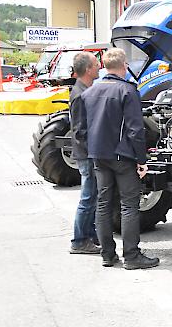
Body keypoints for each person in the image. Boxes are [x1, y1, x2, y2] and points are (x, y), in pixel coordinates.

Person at [82, 48, 160, 270]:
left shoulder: (89, 92)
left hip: (98, 155)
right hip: (121, 156)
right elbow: (136, 130)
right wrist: (141, 160)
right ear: (124, 66)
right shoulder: (127, 91)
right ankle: (132, 256)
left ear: (104, 66)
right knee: (129, 205)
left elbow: (83, 127)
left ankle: (107, 255)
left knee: (103, 204)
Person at [69, 52, 101, 255]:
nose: (99, 67)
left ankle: (89, 235)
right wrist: (94, 153)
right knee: (88, 198)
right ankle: (79, 240)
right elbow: (81, 131)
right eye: (96, 64)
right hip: (87, 154)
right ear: (88, 69)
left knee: (93, 197)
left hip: (87, 153)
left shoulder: (84, 89)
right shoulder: (80, 94)